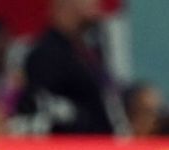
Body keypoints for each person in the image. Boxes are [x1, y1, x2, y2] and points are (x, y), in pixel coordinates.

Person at [15, 0, 127, 135]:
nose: (96, 2)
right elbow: (43, 113)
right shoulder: (46, 56)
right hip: (74, 146)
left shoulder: (87, 52)